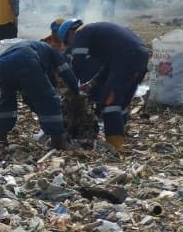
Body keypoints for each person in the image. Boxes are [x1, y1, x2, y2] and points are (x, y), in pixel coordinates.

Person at [56, 18, 149, 151]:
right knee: (121, 102)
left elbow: (78, 62)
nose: (71, 45)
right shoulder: (99, 33)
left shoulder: (80, 33)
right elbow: (108, 67)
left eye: (67, 42)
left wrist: (72, 86)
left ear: (70, 33)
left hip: (126, 57)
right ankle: (121, 135)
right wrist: (91, 83)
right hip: (140, 55)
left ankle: (116, 146)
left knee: (109, 103)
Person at [0, 40, 80, 150]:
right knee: (49, 101)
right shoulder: (54, 53)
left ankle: (0, 139)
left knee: (6, 101)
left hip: (2, 65)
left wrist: (40, 111)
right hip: (26, 60)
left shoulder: (39, 50)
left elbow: (31, 95)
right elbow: (66, 72)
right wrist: (76, 90)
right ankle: (58, 143)